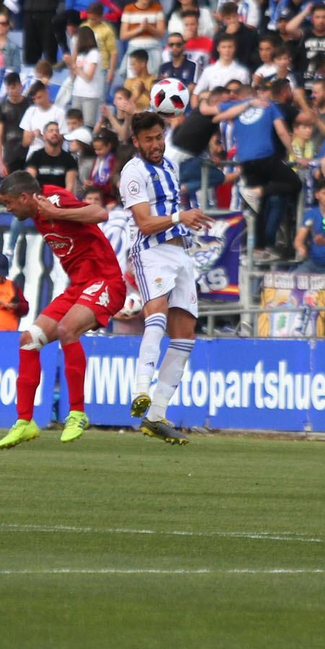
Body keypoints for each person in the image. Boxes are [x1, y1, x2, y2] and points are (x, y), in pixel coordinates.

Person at [0, 170, 123, 449]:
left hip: (106, 280)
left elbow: (100, 214)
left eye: (8, 202)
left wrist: (59, 213)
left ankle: (77, 413)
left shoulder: (54, 200)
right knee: (29, 339)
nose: (7, 208)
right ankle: (25, 421)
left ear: (26, 197)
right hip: (79, 286)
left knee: (67, 329)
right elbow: (23, 204)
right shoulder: (33, 205)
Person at [120, 111, 212, 443]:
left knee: (186, 333)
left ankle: (156, 414)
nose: (156, 144)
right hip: (150, 252)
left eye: (159, 137)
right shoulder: (132, 173)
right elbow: (145, 223)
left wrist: (189, 220)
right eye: (149, 139)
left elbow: (176, 215)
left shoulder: (170, 167)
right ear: (136, 142)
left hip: (179, 254)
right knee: (155, 314)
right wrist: (179, 216)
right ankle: (140, 389)